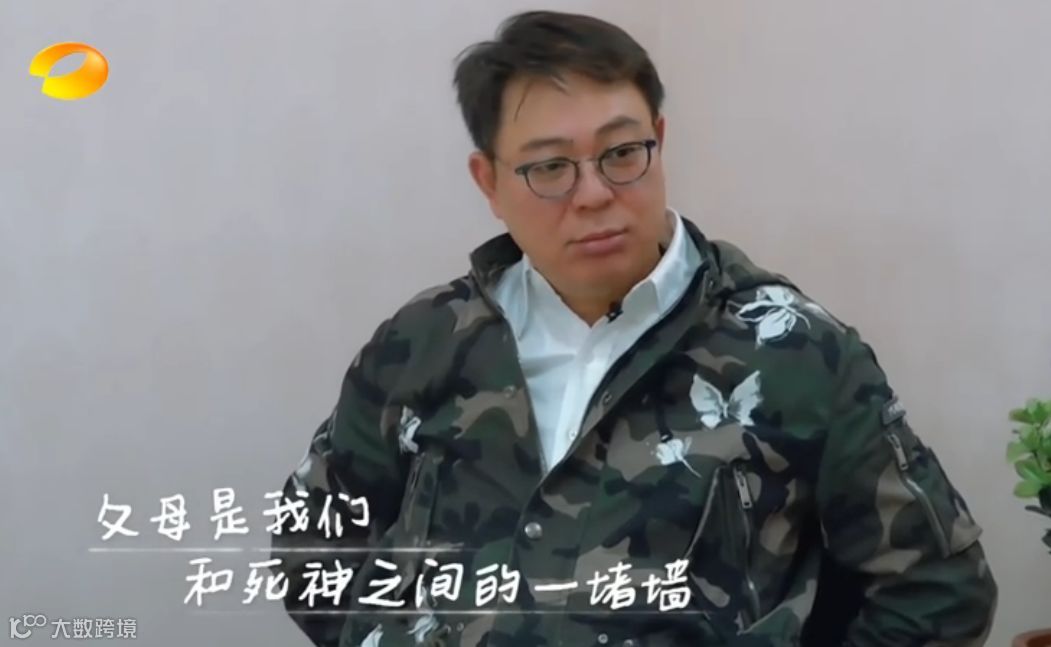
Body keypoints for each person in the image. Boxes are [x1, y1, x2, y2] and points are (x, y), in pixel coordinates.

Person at [270, 10, 997, 647]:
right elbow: (311, 543)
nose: (593, 195)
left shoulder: (792, 351)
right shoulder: (422, 344)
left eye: (621, 154)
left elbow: (937, 589)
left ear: (659, 140)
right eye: (549, 168)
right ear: (488, 182)